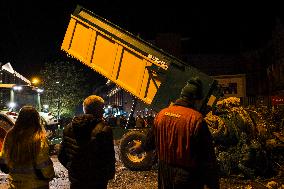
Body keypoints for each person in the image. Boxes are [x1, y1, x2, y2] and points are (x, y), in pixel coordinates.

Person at [143, 77, 220, 189]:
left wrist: (140, 147)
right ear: (195, 99)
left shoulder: (161, 114)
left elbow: (150, 141)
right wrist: (213, 184)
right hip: (187, 176)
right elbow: (207, 157)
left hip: (164, 173)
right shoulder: (196, 119)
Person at [58, 95, 115, 189]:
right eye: (102, 108)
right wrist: (106, 176)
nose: (104, 111)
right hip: (97, 182)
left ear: (85, 109)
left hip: (76, 181)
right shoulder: (104, 129)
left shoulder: (68, 128)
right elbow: (109, 159)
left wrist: (72, 169)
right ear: (97, 110)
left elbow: (61, 155)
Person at [0, 105, 55, 189]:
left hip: (15, 184)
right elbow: (43, 163)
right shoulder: (38, 137)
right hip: (36, 185)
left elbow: (3, 162)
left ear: (19, 118)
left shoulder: (10, 135)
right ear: (36, 119)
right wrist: (50, 175)